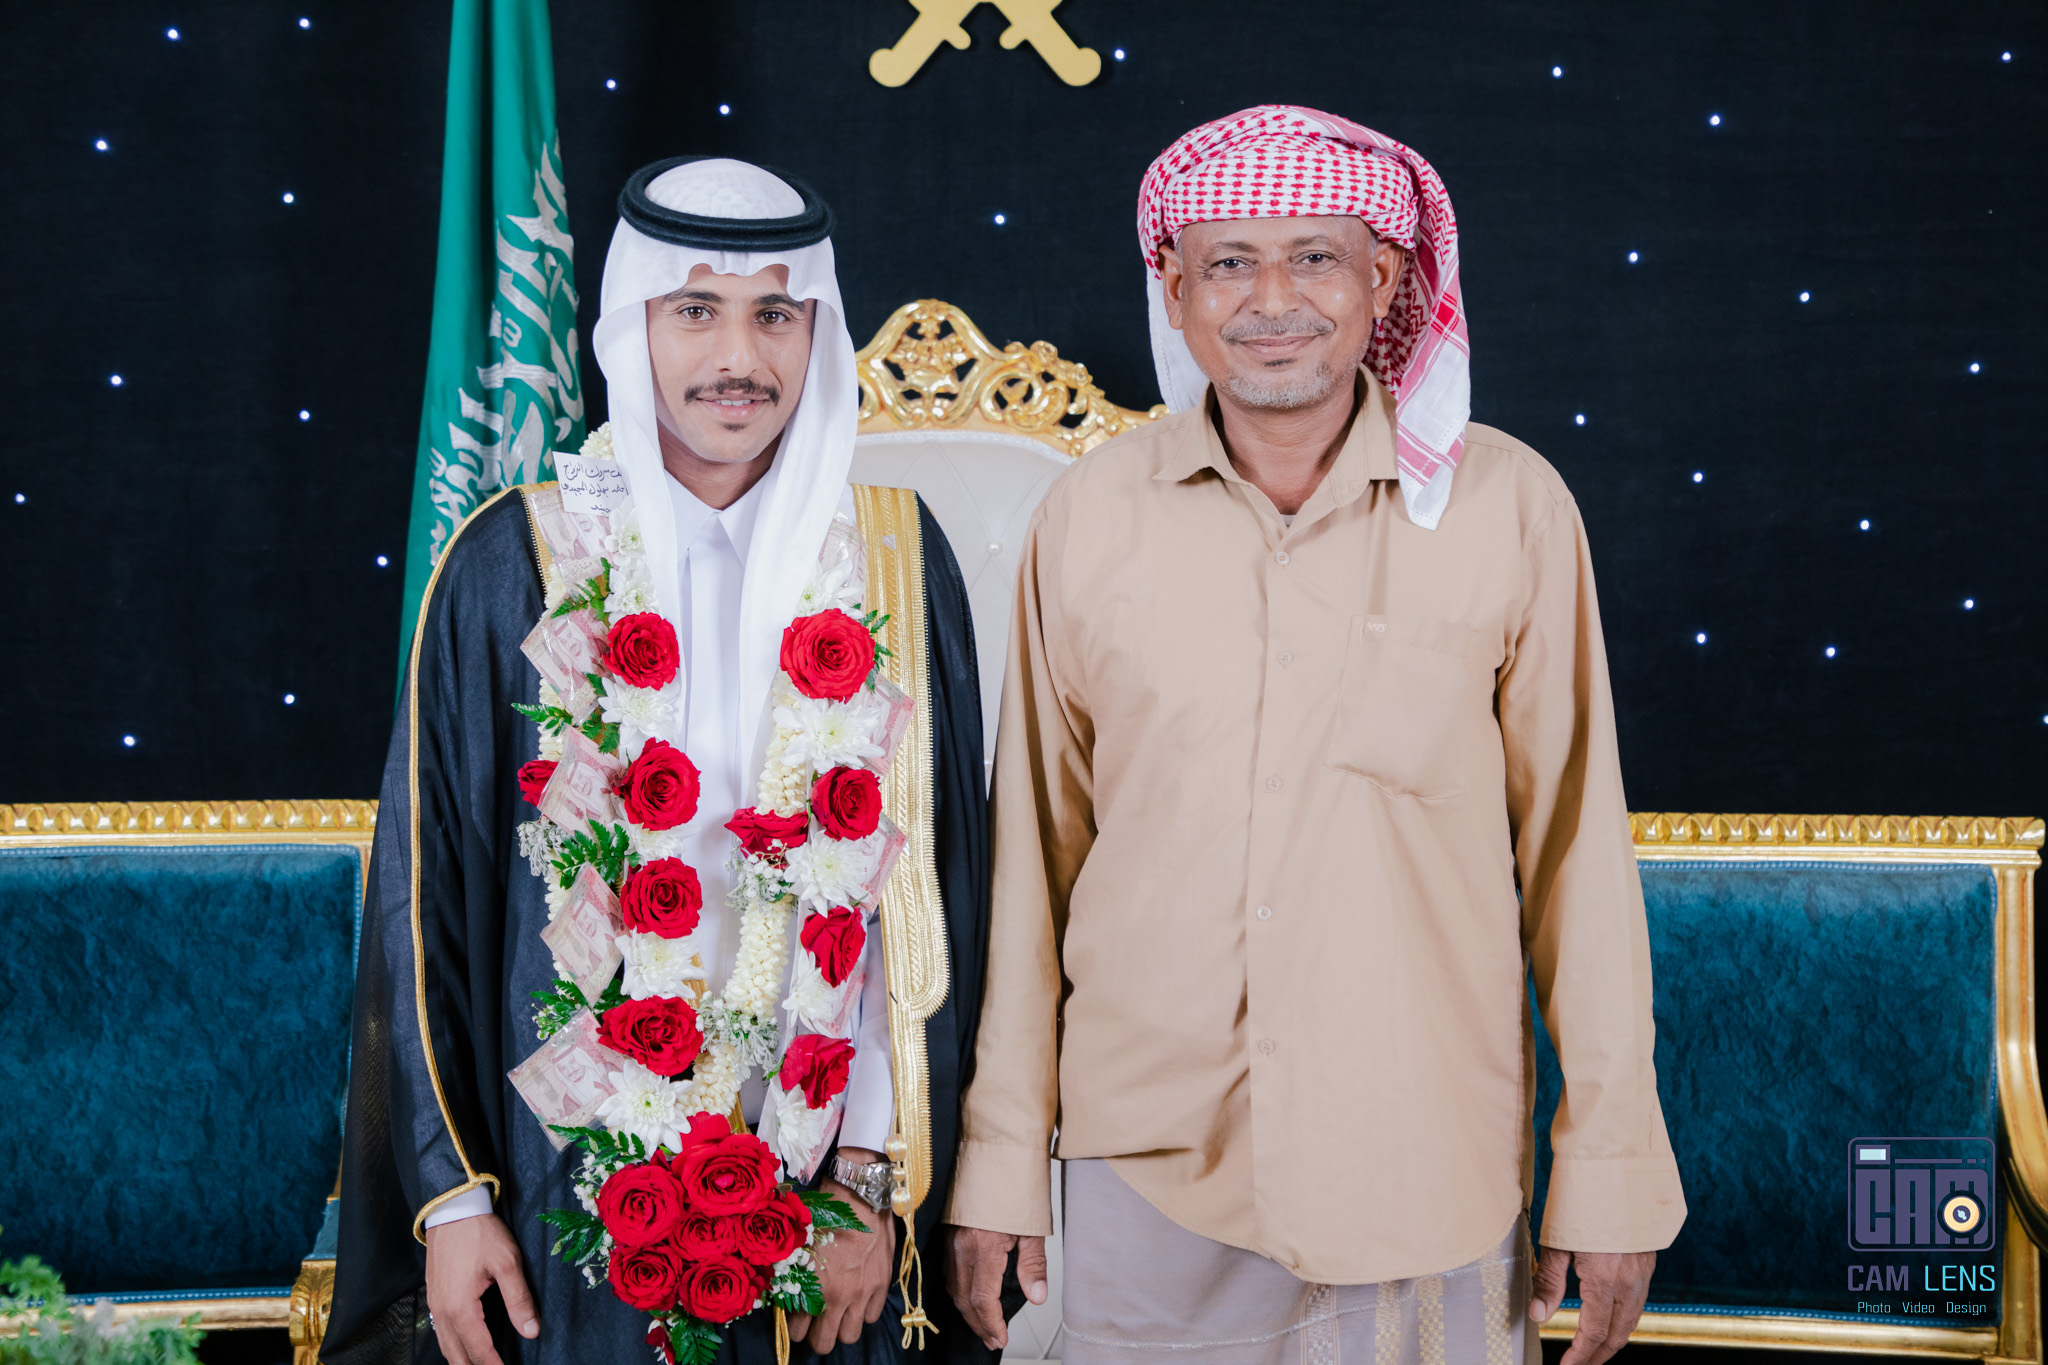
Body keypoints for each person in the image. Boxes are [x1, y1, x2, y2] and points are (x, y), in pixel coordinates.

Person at [943, 106, 1686, 1365]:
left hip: (1420, 1161)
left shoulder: (1507, 508)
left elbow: (1577, 866)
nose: (1270, 300)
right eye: (1228, 263)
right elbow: (1031, 870)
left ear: (1384, 281)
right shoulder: (1087, 519)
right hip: (1146, 1173)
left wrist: (1608, 1172)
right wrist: (1002, 1159)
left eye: (1314, 259)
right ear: (1173, 291)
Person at [325, 157, 997, 1365]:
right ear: (630, 325)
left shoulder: (892, 556)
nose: (737, 356)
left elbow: (930, 901)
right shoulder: (513, 563)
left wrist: (870, 1175)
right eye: (695, 311)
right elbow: (423, 905)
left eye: (774, 315)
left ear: (815, 333)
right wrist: (455, 1197)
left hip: (829, 1192)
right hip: (570, 1185)